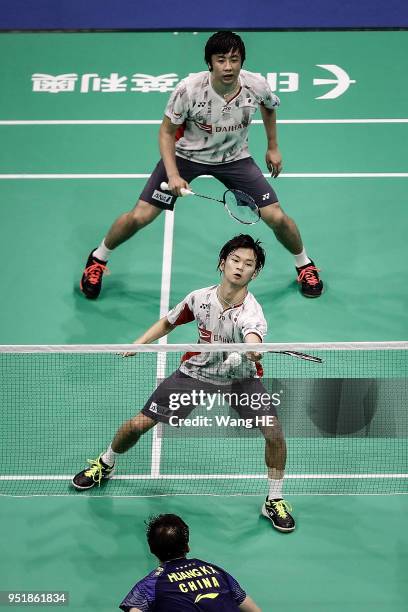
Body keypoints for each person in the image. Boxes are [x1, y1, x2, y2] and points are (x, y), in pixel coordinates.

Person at [73, 234, 295, 533]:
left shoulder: (252, 314)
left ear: (255, 273)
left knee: (275, 432)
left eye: (249, 264)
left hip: (240, 377)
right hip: (196, 373)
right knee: (138, 424)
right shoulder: (199, 298)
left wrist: (253, 349)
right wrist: (139, 343)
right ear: (222, 263)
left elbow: (253, 336)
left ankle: (274, 498)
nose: (240, 267)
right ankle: (106, 462)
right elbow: (169, 321)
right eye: (235, 260)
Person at [80, 31, 323, 300]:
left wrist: (273, 146)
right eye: (221, 60)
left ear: (242, 61)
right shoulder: (189, 90)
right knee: (140, 216)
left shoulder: (256, 85)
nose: (228, 67)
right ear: (210, 63)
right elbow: (166, 132)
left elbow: (268, 106)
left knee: (277, 217)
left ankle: (304, 264)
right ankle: (98, 259)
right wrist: (172, 174)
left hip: (234, 158)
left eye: (234, 59)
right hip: (186, 157)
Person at [119, 513, 261, 611]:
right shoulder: (215, 571)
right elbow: (253, 609)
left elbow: (136, 609)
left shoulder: (149, 585)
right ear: (187, 547)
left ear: (151, 550)